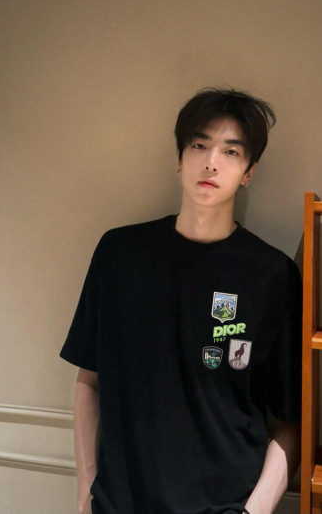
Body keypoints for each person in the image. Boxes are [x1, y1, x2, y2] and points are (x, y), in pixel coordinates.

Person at [60, 88, 302, 514]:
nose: (211, 162)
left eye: (231, 151)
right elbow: (89, 380)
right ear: (179, 158)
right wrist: (85, 488)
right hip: (119, 503)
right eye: (199, 145)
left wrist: (255, 511)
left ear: (249, 172)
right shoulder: (119, 255)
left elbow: (290, 422)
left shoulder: (272, 274)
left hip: (224, 504)